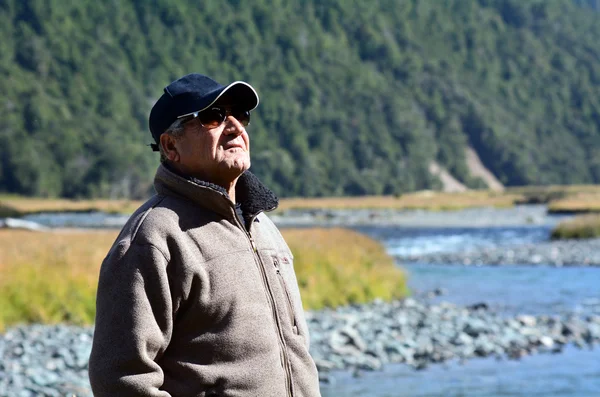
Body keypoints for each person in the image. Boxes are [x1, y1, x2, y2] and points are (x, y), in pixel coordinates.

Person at [88, 73, 321, 397]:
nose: (235, 126)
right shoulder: (154, 239)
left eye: (241, 115)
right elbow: (122, 379)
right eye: (213, 116)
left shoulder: (261, 225)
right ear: (171, 146)